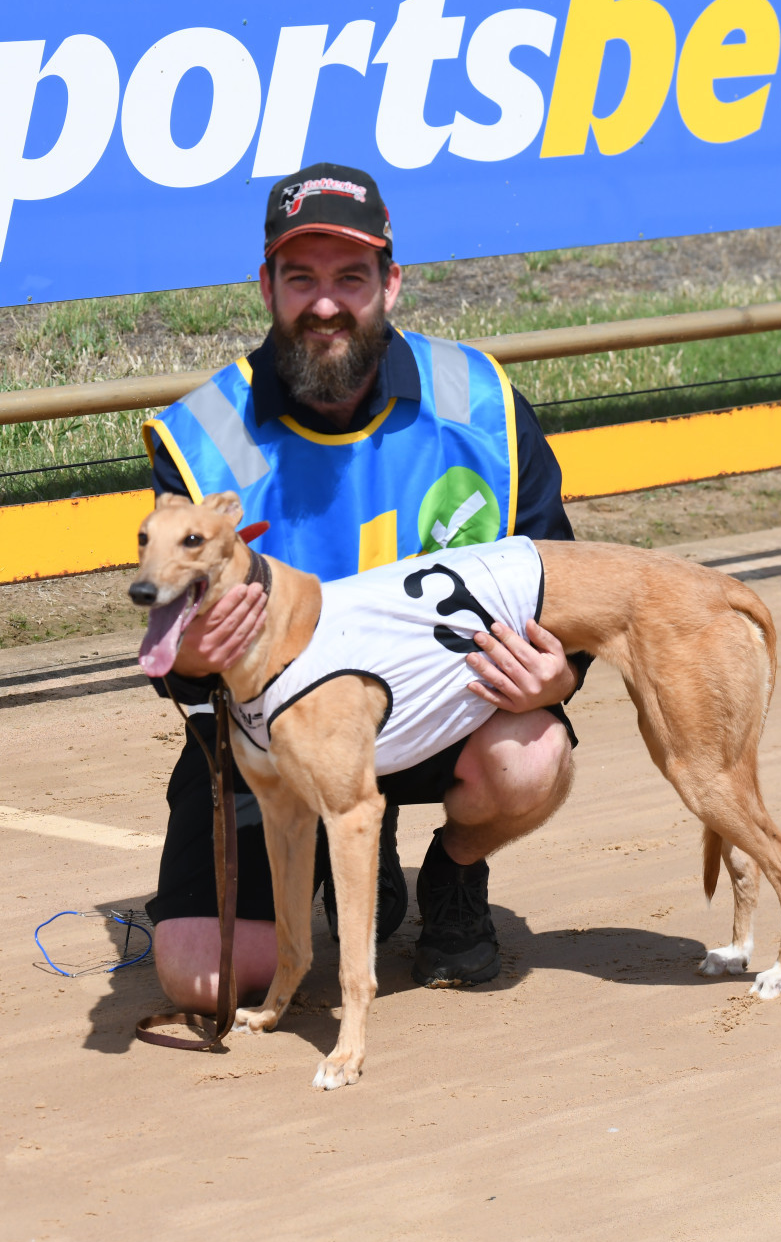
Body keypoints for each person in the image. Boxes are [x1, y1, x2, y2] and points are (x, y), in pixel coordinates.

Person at [138, 162, 587, 1010]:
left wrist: (562, 674)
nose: (325, 303)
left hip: (439, 709)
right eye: (300, 277)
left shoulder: (481, 403)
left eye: (351, 276)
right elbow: (176, 650)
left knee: (533, 756)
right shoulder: (203, 438)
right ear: (266, 284)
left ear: (392, 282)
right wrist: (190, 665)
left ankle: (454, 871)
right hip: (274, 734)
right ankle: (357, 854)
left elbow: (555, 573)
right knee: (203, 974)